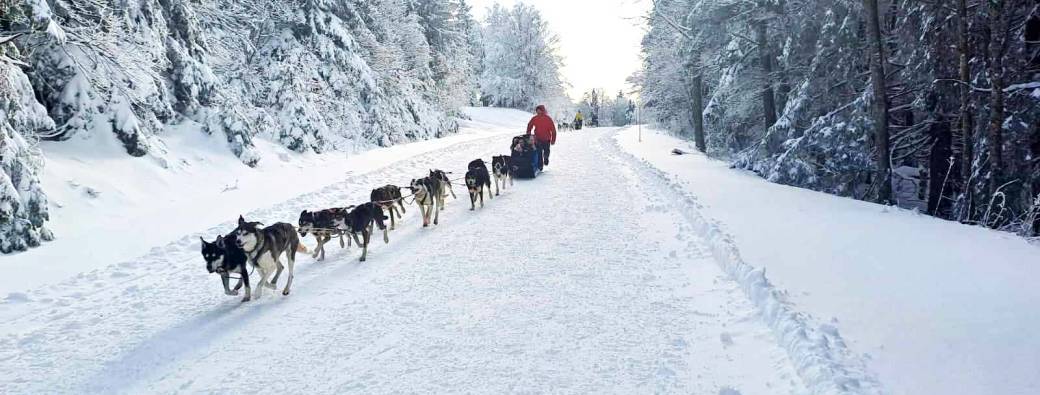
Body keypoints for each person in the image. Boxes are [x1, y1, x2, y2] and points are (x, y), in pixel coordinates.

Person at [526, 105, 557, 170]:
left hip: (546, 139)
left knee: (546, 151)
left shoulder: (548, 119)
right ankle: (540, 166)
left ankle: (546, 158)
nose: (538, 111)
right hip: (537, 138)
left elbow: (553, 130)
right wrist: (528, 132)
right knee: (538, 152)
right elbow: (530, 125)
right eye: (537, 110)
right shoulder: (535, 118)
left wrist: (553, 140)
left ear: (543, 110)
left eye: (539, 110)